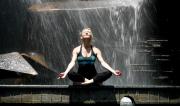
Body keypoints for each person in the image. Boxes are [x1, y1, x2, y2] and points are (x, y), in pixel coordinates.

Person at [57, 28, 122, 85]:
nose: (87, 32)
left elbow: (103, 62)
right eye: (85, 32)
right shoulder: (76, 50)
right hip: (81, 76)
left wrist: (113, 71)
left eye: (89, 32)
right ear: (81, 37)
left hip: (93, 76)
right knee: (70, 73)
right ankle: (90, 81)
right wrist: (65, 72)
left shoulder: (96, 50)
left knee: (109, 72)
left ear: (91, 36)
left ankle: (89, 81)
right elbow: (72, 62)